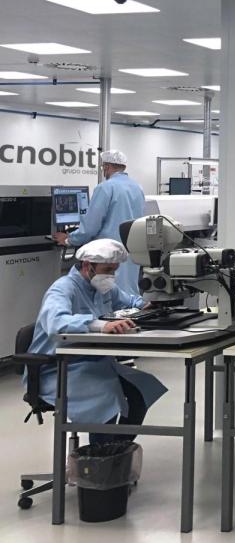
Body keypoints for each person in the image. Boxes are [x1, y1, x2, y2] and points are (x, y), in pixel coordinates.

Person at [26, 239, 167, 444]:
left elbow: (130, 301)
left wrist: (150, 304)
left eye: (114, 270)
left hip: (94, 363)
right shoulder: (63, 288)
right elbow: (55, 322)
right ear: (87, 266)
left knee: (140, 391)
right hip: (58, 368)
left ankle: (115, 451)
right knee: (105, 398)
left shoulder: (103, 287)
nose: (111, 276)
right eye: (107, 269)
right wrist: (99, 325)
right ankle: (97, 464)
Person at [53, 150, 145, 296]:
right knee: (128, 293)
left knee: (110, 294)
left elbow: (90, 227)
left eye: (103, 167)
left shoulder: (105, 187)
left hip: (107, 253)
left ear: (107, 167)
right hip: (130, 250)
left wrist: (68, 239)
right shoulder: (137, 188)